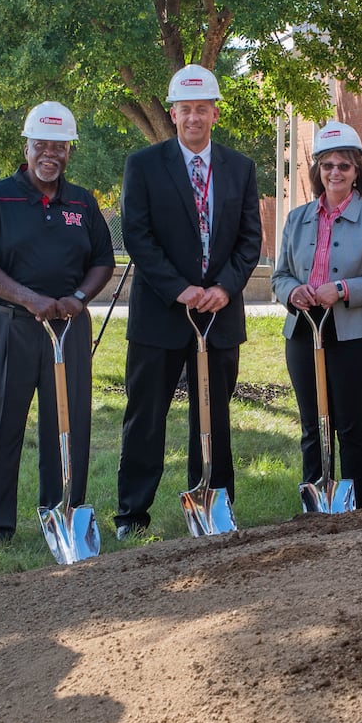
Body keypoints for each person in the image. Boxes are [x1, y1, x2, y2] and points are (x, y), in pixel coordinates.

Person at [113, 64, 262, 540]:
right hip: (160, 313)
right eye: (186, 109)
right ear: (173, 114)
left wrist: (223, 288)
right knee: (145, 417)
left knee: (214, 415)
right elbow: (137, 235)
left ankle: (214, 504)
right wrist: (178, 288)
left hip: (219, 314)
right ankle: (132, 514)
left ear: (215, 113)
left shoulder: (240, 167)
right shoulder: (144, 164)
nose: (194, 117)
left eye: (203, 109)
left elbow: (249, 239)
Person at [0, 102, 116, 547]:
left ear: (70, 151)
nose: (51, 153)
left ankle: (62, 511)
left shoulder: (83, 202)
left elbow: (103, 260)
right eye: (42, 145)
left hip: (68, 327)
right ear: (26, 147)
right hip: (8, 325)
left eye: (60, 146)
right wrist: (31, 299)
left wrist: (78, 298)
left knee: (68, 423)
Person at [270, 121, 362, 508]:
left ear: (357, 170)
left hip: (358, 336)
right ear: (317, 171)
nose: (335, 173)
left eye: (343, 165)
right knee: (312, 425)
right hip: (304, 333)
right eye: (327, 165)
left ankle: (358, 511)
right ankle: (317, 506)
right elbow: (279, 277)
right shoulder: (297, 218)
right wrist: (293, 291)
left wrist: (341, 290)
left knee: (351, 426)